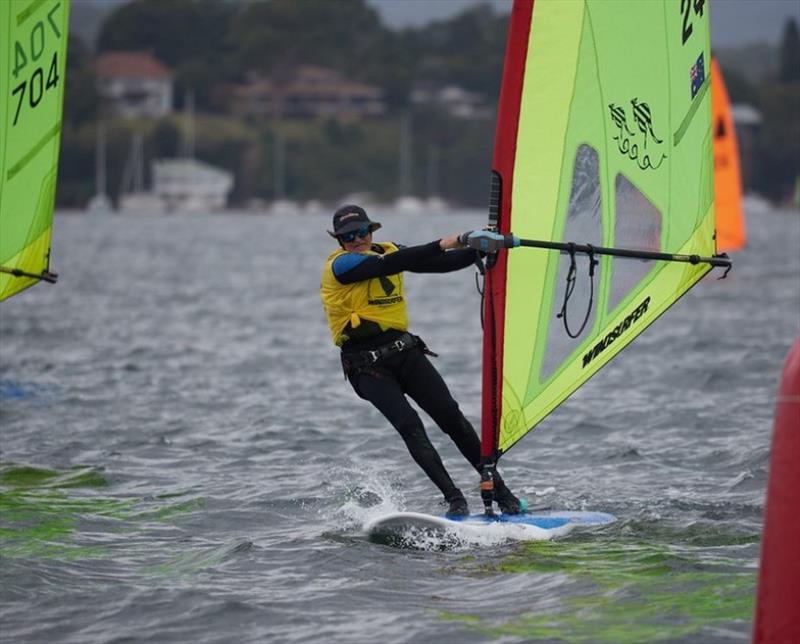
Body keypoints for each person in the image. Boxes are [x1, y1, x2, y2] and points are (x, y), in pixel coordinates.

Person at [319, 204, 523, 517]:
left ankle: (503, 493)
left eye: (362, 232)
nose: (357, 239)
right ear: (340, 241)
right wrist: (451, 240)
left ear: (372, 230)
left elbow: (436, 264)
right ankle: (454, 498)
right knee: (410, 425)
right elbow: (394, 263)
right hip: (367, 368)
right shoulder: (341, 266)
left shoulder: (387, 250)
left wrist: (481, 251)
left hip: (405, 352)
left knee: (451, 417)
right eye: (348, 236)